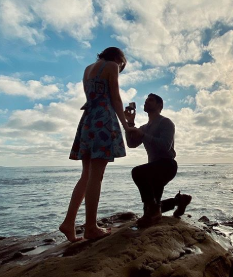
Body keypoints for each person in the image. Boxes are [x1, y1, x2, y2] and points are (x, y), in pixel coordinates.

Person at [59, 47, 132, 242]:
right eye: (122, 64)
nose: (120, 67)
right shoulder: (111, 65)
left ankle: (69, 222)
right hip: (103, 120)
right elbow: (115, 97)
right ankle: (90, 227)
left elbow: (91, 97)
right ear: (118, 58)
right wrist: (125, 125)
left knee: (86, 175)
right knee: (96, 176)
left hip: (88, 120)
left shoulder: (88, 68)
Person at [124, 93, 192, 227]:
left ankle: (155, 210)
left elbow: (165, 145)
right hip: (152, 169)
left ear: (159, 106)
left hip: (167, 165)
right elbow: (131, 144)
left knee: (137, 172)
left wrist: (143, 135)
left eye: (150, 100)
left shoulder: (166, 122)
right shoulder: (144, 127)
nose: (146, 102)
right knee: (149, 210)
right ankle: (179, 201)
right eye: (145, 100)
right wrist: (130, 122)